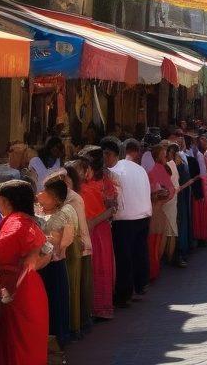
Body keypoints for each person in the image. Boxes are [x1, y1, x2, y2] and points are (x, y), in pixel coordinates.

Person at [0, 180, 49, 365]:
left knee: (16, 345)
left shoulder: (15, 225)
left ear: (7, 202)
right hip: (30, 286)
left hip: (16, 290)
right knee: (29, 344)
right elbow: (48, 252)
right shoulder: (28, 221)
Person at [103, 136, 151, 308]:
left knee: (125, 257)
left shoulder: (115, 171)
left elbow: (113, 198)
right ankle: (140, 285)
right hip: (143, 215)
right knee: (139, 252)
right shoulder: (138, 169)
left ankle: (125, 293)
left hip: (126, 219)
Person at [78, 146, 116, 321]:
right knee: (92, 268)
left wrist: (94, 221)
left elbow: (113, 208)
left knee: (100, 267)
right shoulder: (80, 183)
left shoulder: (104, 182)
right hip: (89, 228)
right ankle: (92, 307)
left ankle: (100, 307)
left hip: (98, 229)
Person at [36, 174, 75, 345]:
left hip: (55, 264)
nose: (42, 195)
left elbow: (64, 241)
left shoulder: (64, 214)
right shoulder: (39, 211)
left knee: (56, 302)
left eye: (47, 193)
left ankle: (59, 337)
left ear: (57, 199)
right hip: (44, 264)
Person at [61, 161, 93, 337]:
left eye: (66, 180)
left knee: (77, 286)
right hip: (72, 245)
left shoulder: (73, 198)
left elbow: (79, 223)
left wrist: (80, 240)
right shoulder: (66, 197)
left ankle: (78, 325)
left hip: (78, 246)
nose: (64, 183)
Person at [147, 144, 177, 279]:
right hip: (158, 210)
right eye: (164, 154)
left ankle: (156, 265)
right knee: (158, 240)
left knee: (157, 240)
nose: (166, 156)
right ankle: (155, 266)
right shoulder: (156, 171)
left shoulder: (157, 170)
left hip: (159, 209)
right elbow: (168, 191)